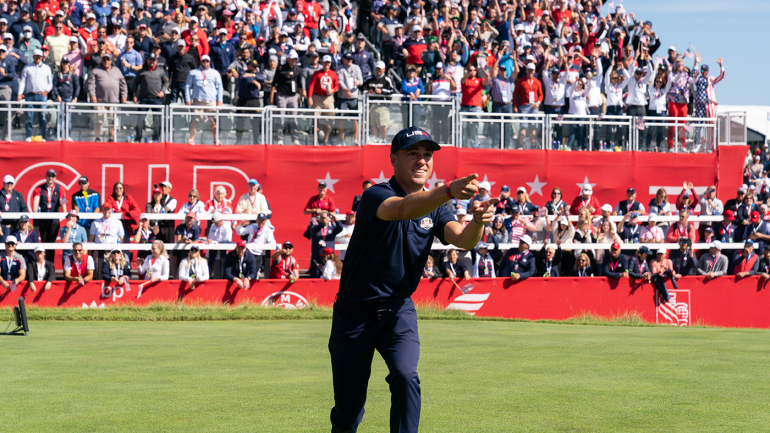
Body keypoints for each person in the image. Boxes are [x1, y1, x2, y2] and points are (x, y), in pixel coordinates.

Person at [328, 126, 497, 433]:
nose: (422, 161)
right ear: (393, 159)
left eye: (427, 155)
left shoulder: (436, 207)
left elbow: (463, 240)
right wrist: (447, 191)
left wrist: (477, 222)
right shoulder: (375, 195)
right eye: (413, 154)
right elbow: (404, 208)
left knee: (406, 376)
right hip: (354, 315)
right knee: (349, 413)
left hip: (397, 311)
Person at [185, 54, 223, 145]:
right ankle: (191, 139)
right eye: (203, 61)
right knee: (195, 119)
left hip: (211, 100)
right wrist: (187, 99)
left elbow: (220, 87)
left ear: (210, 62)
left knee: (213, 120)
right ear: (200, 62)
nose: (205, 62)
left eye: (207, 61)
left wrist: (220, 100)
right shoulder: (193, 72)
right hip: (198, 99)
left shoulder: (215, 73)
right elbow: (187, 86)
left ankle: (215, 139)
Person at [87, 53, 127, 141]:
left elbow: (123, 84)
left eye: (108, 59)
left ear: (111, 61)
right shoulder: (95, 70)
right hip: (99, 100)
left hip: (114, 101)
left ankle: (111, 138)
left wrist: (124, 96)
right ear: (101, 60)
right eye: (104, 59)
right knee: (98, 120)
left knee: (112, 121)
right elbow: (90, 84)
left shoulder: (117, 70)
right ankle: (97, 138)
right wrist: (92, 95)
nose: (106, 61)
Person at [30, 168, 65, 263]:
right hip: (43, 220)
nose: (50, 178)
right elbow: (35, 203)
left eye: (52, 176)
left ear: (55, 178)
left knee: (52, 243)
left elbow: (63, 202)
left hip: (54, 220)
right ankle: (43, 265)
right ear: (46, 177)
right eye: (49, 176)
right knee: (44, 242)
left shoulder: (60, 188)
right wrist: (35, 213)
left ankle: (50, 265)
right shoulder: (39, 188)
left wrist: (66, 214)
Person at [17, 48, 52, 141]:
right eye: (36, 56)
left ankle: (42, 136)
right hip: (30, 95)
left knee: (42, 116)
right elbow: (23, 82)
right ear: (33, 57)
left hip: (42, 95)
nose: (37, 58)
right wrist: (20, 93)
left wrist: (47, 91)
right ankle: (28, 136)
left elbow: (50, 83)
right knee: (29, 116)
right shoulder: (27, 68)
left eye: (39, 56)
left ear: (42, 57)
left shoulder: (47, 68)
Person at [132, 53, 167, 142]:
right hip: (144, 99)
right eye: (150, 60)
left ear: (156, 61)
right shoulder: (141, 71)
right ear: (147, 61)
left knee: (157, 120)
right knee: (140, 119)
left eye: (153, 60)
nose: (151, 62)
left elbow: (166, 82)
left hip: (156, 99)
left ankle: (156, 138)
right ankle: (138, 138)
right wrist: (134, 95)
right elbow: (135, 83)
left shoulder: (161, 71)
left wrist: (162, 91)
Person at [270, 50, 301, 144]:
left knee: (294, 118)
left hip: (293, 96)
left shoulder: (298, 70)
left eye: (295, 59)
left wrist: (301, 96)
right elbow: (274, 83)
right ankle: (280, 138)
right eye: (292, 58)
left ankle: (295, 138)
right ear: (288, 58)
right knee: (281, 118)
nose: (294, 60)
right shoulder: (280, 68)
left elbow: (299, 84)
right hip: (282, 95)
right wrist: (271, 95)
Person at [307, 55, 338, 145]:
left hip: (328, 98)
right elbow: (311, 85)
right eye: (325, 62)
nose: (326, 64)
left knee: (328, 120)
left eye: (328, 63)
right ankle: (315, 141)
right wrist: (309, 97)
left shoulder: (333, 74)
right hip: (317, 97)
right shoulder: (317, 73)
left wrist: (333, 90)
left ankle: (326, 140)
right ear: (322, 63)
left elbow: (337, 86)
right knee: (316, 119)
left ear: (330, 63)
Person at [304, 211, 343, 278]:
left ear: (329, 218)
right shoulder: (314, 226)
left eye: (324, 217)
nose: (323, 219)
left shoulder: (332, 228)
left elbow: (340, 228)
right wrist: (321, 225)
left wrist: (336, 219)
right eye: (321, 217)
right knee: (315, 277)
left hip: (329, 259)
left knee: (328, 277)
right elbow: (312, 231)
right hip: (317, 258)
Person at [512, 63, 543, 149]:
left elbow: (541, 95)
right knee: (523, 126)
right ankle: (520, 145)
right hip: (524, 106)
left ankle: (533, 145)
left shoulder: (537, 82)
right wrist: (515, 105)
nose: (530, 71)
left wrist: (538, 103)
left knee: (532, 128)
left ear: (534, 71)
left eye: (532, 70)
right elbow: (515, 94)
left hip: (534, 107)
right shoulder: (520, 81)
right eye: (528, 69)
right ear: (526, 70)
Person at [235, 212, 275, 278]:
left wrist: (266, 244)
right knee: (244, 271)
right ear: (256, 220)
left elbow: (272, 243)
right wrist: (240, 225)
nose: (260, 222)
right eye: (259, 220)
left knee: (254, 272)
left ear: (265, 221)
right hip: (248, 252)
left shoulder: (267, 230)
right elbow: (240, 232)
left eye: (262, 220)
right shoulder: (252, 226)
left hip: (258, 254)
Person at [460, 63, 489, 148]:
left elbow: (485, 82)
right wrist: (467, 74)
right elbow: (462, 81)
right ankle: (463, 146)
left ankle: (474, 145)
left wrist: (487, 76)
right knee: (463, 127)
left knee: (474, 128)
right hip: (465, 106)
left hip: (475, 107)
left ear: (476, 72)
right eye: (470, 70)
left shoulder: (479, 80)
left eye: (473, 70)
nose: (471, 72)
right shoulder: (465, 80)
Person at [206, 211, 232, 279]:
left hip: (220, 255)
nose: (214, 224)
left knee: (218, 275)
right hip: (211, 253)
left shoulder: (227, 227)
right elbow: (209, 238)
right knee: (208, 274)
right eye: (213, 222)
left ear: (221, 220)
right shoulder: (212, 226)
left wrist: (214, 242)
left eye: (216, 222)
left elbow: (227, 242)